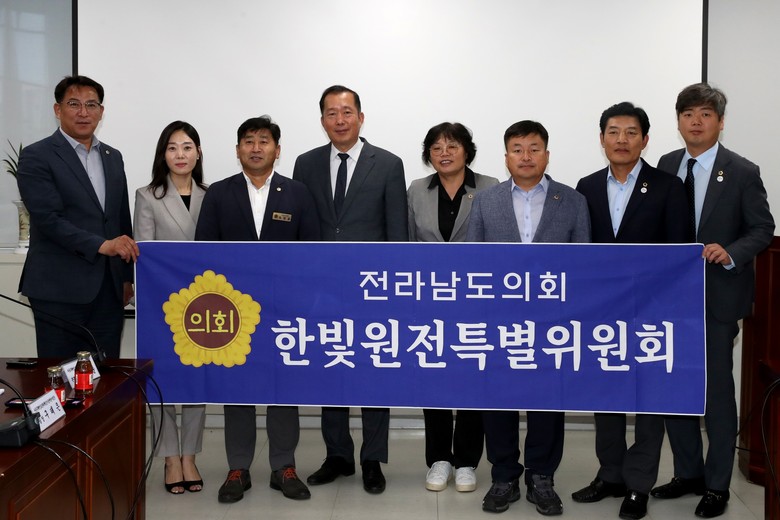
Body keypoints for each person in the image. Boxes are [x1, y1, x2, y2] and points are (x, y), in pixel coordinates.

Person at [649, 83, 774, 518]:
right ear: (678, 121)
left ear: (720, 122)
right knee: (676, 388)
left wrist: (731, 252)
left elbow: (762, 228)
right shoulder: (666, 164)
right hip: (669, 300)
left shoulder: (741, 170)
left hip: (717, 297)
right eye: (688, 114)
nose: (696, 122)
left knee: (717, 392)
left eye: (705, 114)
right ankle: (689, 473)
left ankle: (717, 484)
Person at [195, 116, 321, 504]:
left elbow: (313, 253)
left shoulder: (297, 193)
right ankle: (238, 467)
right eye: (248, 141)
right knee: (238, 388)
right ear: (237, 150)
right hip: (233, 313)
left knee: (283, 388)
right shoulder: (219, 193)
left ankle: (284, 466)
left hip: (285, 310)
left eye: (263, 141)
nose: (255, 147)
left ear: (277, 150)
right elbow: (204, 253)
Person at [467, 120, 590, 516]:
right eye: (517, 149)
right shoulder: (485, 201)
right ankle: (503, 475)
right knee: (497, 399)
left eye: (534, 149)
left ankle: (541, 476)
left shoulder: (572, 201)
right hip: (498, 320)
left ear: (547, 155)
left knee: (547, 401)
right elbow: (472, 263)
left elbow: (583, 264)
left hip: (552, 322)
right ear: (506, 157)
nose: (526, 156)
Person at [573, 102, 688, 520]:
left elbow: (678, 254)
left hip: (652, 312)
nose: (622, 140)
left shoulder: (669, 187)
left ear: (645, 139)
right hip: (602, 312)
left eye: (631, 132)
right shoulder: (585, 187)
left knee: (648, 400)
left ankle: (638, 484)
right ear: (602, 138)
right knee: (606, 395)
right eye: (614, 132)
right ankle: (611, 474)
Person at [292, 85, 408, 494]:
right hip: (323, 288)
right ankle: (337, 454)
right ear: (322, 120)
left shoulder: (388, 164)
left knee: (374, 373)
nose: (339, 120)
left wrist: (394, 289)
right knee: (333, 369)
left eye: (346, 112)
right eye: (331, 113)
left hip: (373, 289)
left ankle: (372, 458)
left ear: (360, 117)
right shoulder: (305, 163)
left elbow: (397, 233)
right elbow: (301, 230)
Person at [16, 75, 138, 360]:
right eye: (74, 104)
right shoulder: (37, 156)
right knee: (61, 375)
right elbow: (48, 219)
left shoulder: (113, 156)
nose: (83, 112)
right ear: (58, 109)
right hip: (58, 289)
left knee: (106, 374)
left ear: (101, 111)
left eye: (91, 105)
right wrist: (102, 245)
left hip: (108, 290)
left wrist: (125, 279)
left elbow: (120, 219)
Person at [407, 122, 497, 493]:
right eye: (437, 147)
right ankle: (439, 458)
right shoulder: (417, 190)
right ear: (428, 154)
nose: (444, 153)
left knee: (473, 377)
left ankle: (467, 461)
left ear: (467, 151)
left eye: (453, 145)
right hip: (429, 300)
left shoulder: (490, 187)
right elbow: (407, 246)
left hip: (476, 299)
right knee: (434, 377)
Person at [133, 121, 208, 495]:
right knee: (163, 380)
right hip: (162, 304)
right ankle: (168, 457)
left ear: (198, 153)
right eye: (173, 147)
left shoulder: (212, 195)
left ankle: (189, 455)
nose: (180, 154)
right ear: (163, 154)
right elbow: (145, 253)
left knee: (196, 380)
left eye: (187, 147)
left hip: (206, 303)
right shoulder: (147, 196)